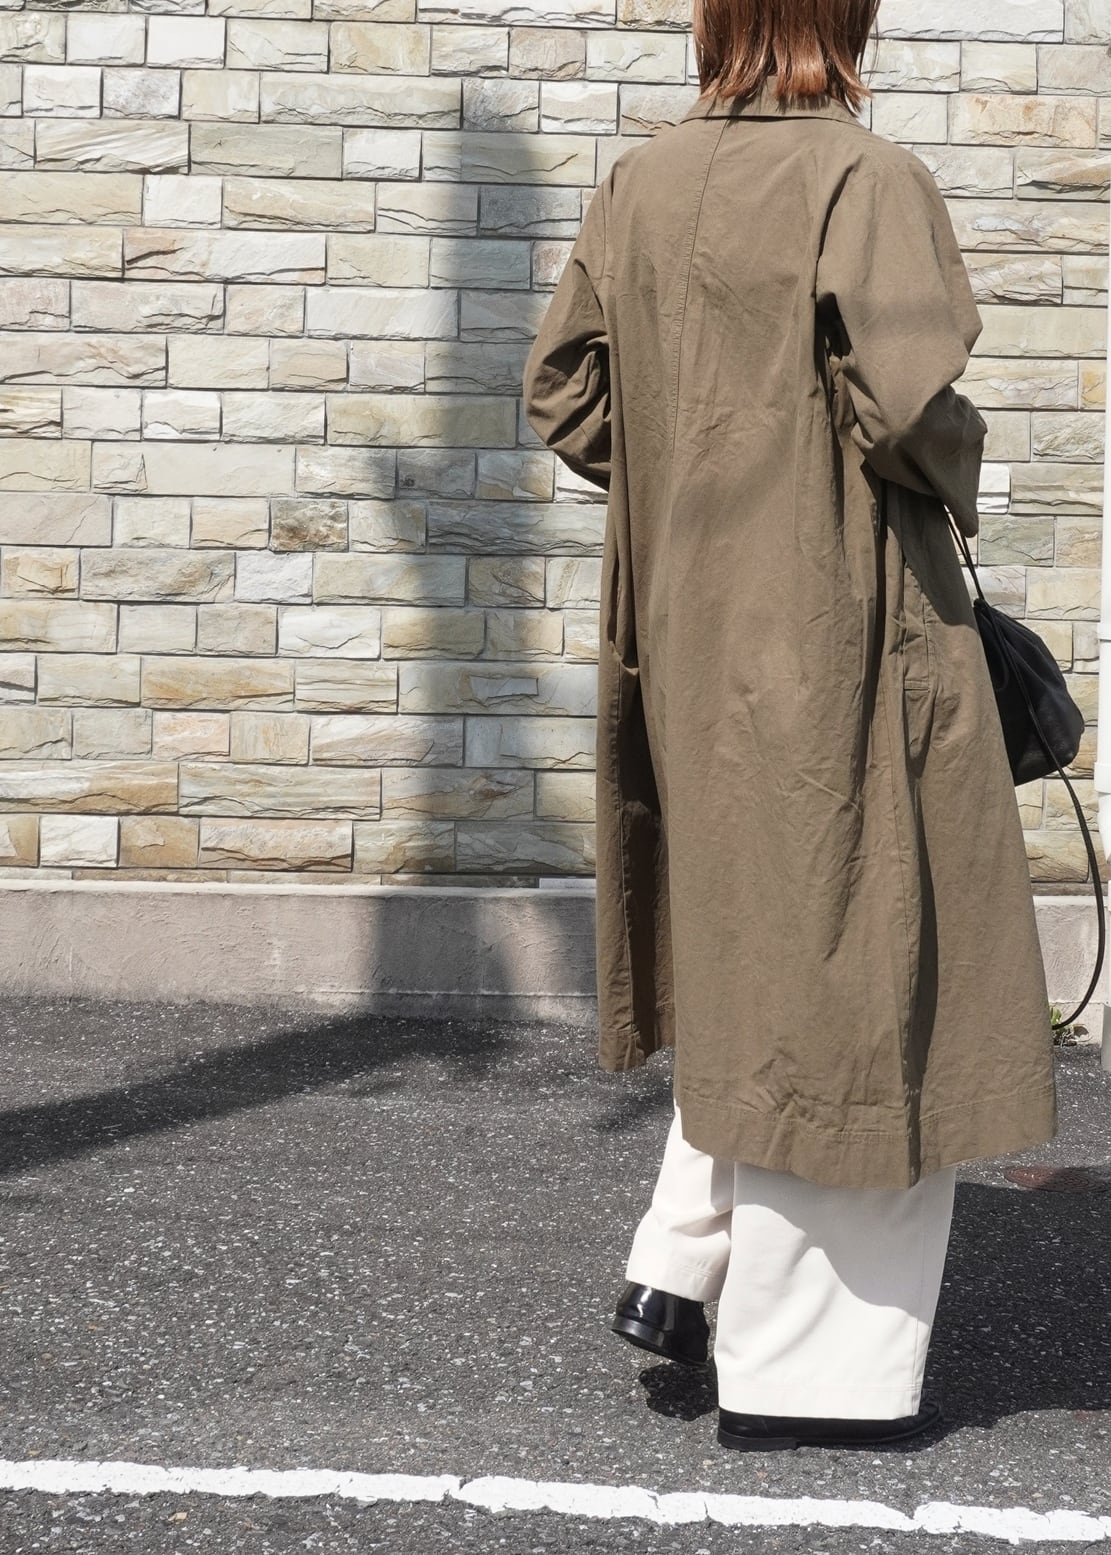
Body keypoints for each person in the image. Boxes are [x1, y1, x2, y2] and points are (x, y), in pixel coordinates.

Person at [521, 0, 1058, 1452]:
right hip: (840, 623)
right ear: (845, 18)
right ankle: (805, 1374)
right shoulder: (864, 177)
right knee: (872, 965)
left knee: (765, 936)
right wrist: (934, 462)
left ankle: (685, 1256)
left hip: (690, 628)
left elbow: (564, 391)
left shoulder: (642, 180)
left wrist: (698, 464)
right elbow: (907, 405)